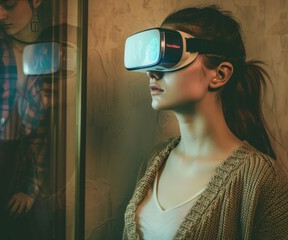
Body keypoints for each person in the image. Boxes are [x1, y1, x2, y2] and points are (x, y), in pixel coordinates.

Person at [123, 5, 288, 239]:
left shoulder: (262, 179)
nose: (153, 72)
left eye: (170, 56)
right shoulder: (155, 160)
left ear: (220, 74)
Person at [0, 0, 54, 239]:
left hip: (19, 163)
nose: (0, 15)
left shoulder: (45, 52)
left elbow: (41, 129)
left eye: (9, 4)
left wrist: (30, 187)